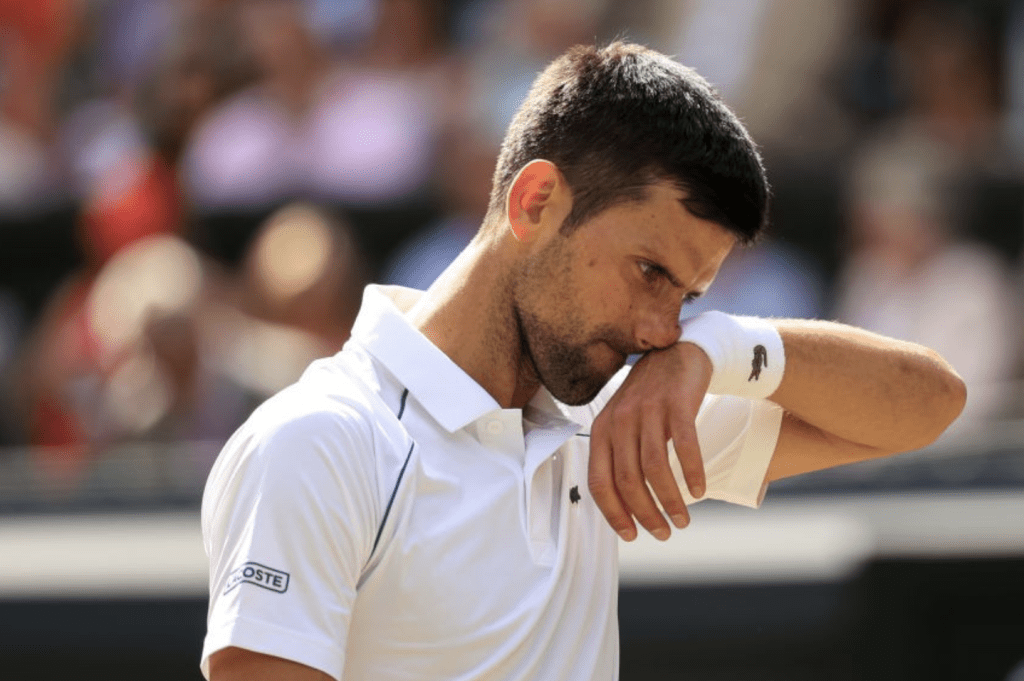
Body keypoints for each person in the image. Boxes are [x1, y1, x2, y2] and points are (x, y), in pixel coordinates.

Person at [200, 42, 966, 681]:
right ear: (536, 202)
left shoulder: (621, 399)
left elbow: (931, 401)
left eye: (689, 295)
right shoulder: (316, 443)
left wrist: (724, 348)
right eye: (650, 272)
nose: (662, 327)